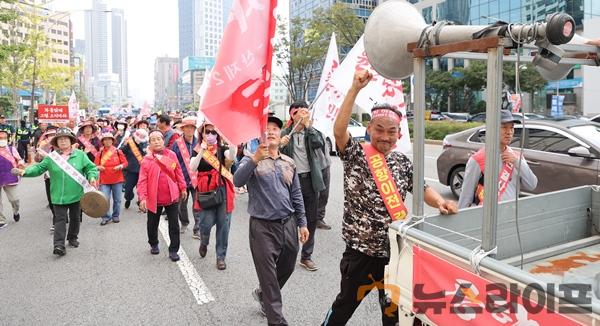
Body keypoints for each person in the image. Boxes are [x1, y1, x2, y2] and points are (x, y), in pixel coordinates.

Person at [321, 70, 458, 325]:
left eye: (391, 131)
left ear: (399, 134)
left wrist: (440, 202)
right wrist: (354, 89)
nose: (385, 136)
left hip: (395, 253)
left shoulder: (401, 161)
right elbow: (339, 132)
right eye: (380, 130)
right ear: (369, 129)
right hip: (360, 253)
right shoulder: (356, 155)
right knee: (343, 308)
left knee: (395, 314)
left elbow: (422, 188)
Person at [233, 116, 309, 326]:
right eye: (266, 129)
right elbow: (237, 180)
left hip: (288, 224)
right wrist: (255, 159)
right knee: (268, 277)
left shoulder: (289, 162)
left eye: (275, 128)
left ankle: (262, 294)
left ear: (280, 133)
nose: (272, 132)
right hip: (262, 228)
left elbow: (297, 195)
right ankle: (276, 320)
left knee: (287, 267)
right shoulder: (251, 159)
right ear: (259, 136)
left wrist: (302, 222)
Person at [16, 128, 99, 256]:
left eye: (66, 138)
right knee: (60, 220)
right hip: (58, 195)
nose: (63, 141)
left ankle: (72, 237)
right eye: (60, 139)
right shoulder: (51, 158)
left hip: (76, 194)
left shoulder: (80, 155)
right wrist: (25, 172)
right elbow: (38, 169)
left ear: (71, 140)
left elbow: (91, 168)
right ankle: (59, 245)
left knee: (75, 218)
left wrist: (92, 177)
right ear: (56, 142)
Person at [280, 101, 331, 272]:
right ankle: (287, 253)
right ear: (292, 116)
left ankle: (306, 256)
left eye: (305, 112)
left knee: (310, 219)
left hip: (310, 181)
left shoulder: (312, 133)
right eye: (298, 113)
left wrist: (308, 127)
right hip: (290, 182)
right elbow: (274, 154)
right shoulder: (285, 134)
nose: (302, 116)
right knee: (289, 219)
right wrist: (281, 144)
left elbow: (319, 144)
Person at [458, 110, 538, 209]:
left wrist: (517, 162)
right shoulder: (478, 159)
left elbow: (532, 185)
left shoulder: (517, 157)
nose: (509, 132)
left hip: (510, 216)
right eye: (504, 127)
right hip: (487, 220)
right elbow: (466, 196)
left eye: (512, 128)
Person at [190, 122, 237, 270]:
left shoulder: (221, 149)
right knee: (205, 223)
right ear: (202, 134)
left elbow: (232, 157)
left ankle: (220, 257)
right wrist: (201, 152)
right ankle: (204, 242)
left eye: (213, 132)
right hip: (205, 190)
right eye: (207, 132)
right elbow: (192, 167)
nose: (210, 135)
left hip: (221, 188)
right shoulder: (197, 150)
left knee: (224, 224)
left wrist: (231, 143)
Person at [137, 130, 187, 262]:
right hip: (154, 198)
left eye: (159, 138)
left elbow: (178, 172)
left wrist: (183, 187)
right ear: (149, 143)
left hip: (172, 197)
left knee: (174, 225)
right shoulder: (147, 160)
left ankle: (173, 250)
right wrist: (142, 198)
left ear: (163, 140)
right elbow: (142, 181)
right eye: (153, 140)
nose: (157, 141)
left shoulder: (171, 155)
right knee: (152, 224)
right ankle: (153, 243)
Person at [171, 117, 199, 235]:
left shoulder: (199, 143)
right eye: (187, 127)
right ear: (183, 129)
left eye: (192, 127)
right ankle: (184, 222)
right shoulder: (177, 144)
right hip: (182, 178)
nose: (189, 130)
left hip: (196, 178)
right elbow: (172, 161)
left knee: (197, 203)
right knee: (182, 204)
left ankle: (197, 228)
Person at [95, 132, 127, 225]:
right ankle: (106, 217)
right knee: (104, 199)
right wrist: (99, 167)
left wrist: (120, 166)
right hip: (104, 180)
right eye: (105, 139)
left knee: (117, 200)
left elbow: (125, 163)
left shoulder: (118, 151)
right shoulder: (100, 153)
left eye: (109, 139)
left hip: (117, 180)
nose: (107, 141)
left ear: (112, 141)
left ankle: (115, 216)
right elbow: (95, 165)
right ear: (103, 142)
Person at [0, 130, 25, 229]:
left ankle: (16, 211)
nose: (2, 140)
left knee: (14, 199)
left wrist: (21, 164)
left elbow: (19, 159)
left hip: (10, 176)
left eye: (4, 138)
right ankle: (1, 219)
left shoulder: (11, 149)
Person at [122, 128, 148, 210]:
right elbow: (121, 152)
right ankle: (128, 198)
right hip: (131, 170)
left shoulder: (145, 143)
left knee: (142, 188)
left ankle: (141, 202)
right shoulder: (128, 142)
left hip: (142, 170)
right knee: (128, 189)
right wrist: (124, 144)